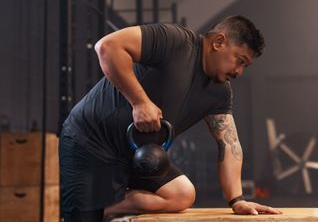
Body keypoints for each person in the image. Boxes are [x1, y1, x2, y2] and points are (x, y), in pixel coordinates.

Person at [59, 15, 282, 222]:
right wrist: (140, 102)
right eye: (239, 60)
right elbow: (107, 47)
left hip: (137, 157)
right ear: (219, 42)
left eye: (245, 65)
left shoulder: (220, 92)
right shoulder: (176, 42)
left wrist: (237, 200)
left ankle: (108, 210)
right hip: (89, 142)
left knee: (182, 194)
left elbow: (229, 144)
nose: (239, 71)